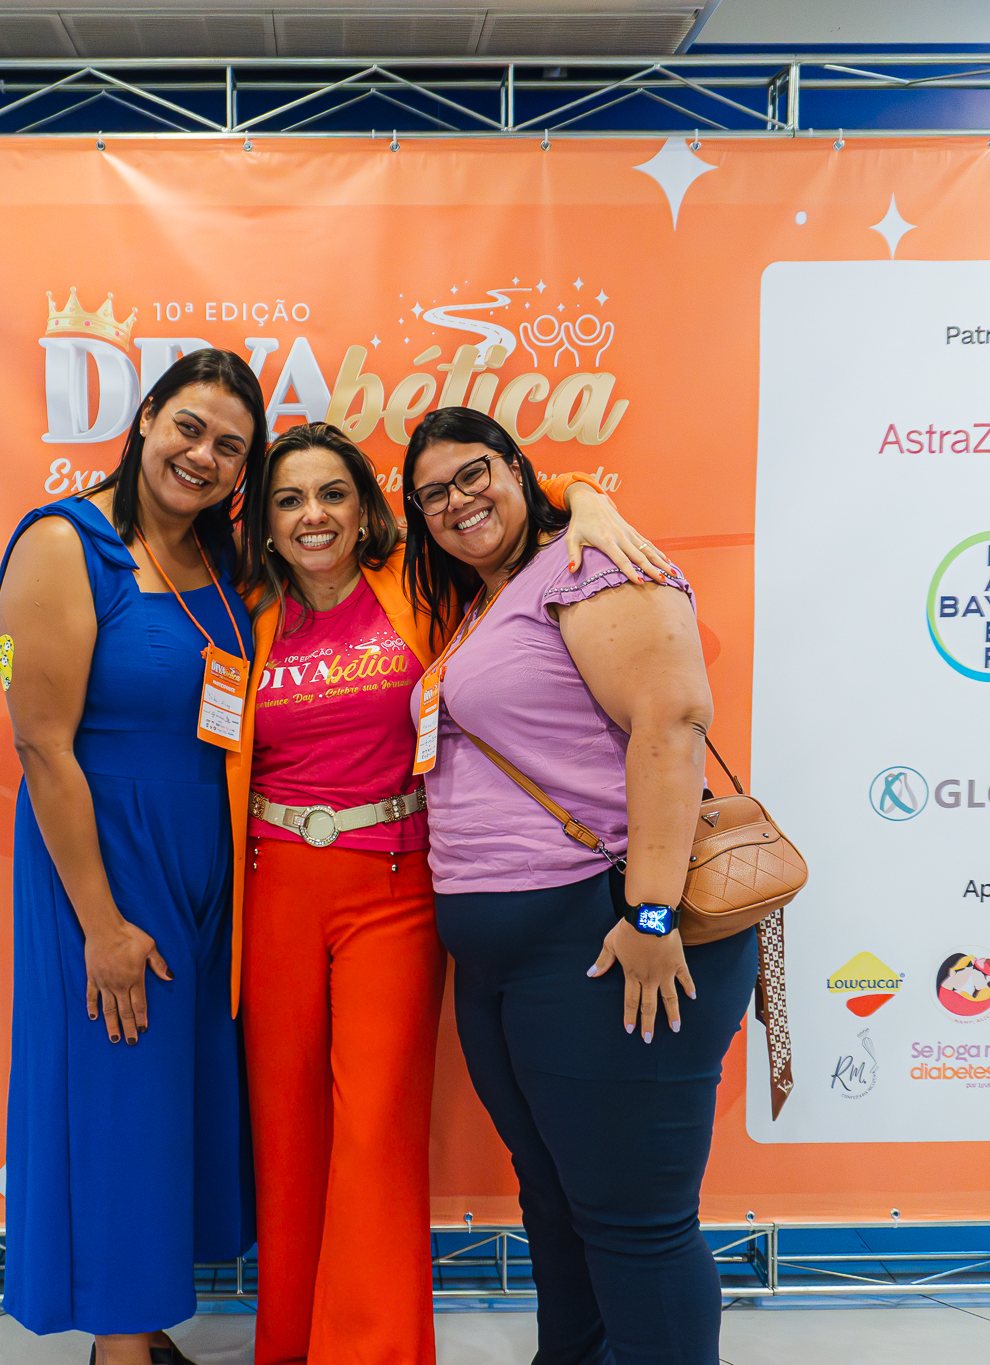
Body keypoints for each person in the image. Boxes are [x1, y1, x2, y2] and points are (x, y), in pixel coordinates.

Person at [230, 421, 672, 1365]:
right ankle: (290, 1345)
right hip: (274, 882)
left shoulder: (419, 586)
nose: (313, 515)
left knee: (377, 1125)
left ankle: (371, 1352)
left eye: (334, 494)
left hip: (393, 883)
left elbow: (517, 498)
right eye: (288, 499)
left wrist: (588, 497)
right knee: (286, 1126)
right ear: (263, 522)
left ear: (368, 510)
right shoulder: (244, 610)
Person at [404, 406, 756, 1365]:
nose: (456, 501)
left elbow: (671, 721)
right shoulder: (496, 599)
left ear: (519, 470)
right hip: (512, 960)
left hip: (604, 936)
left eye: (474, 474)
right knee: (557, 1203)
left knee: (636, 1221)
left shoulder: (595, 564)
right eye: (432, 494)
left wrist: (651, 912)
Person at [0, 348, 265, 1364]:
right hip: (105, 859)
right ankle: (118, 1349)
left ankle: (143, 1328)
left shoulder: (220, 558)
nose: (203, 456)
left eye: (229, 446)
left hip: (205, 861)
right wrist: (101, 924)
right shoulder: (65, 542)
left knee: (167, 1102)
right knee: (117, 1093)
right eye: (188, 427)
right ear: (145, 418)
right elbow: (40, 745)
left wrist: (584, 504)